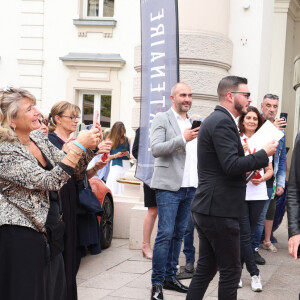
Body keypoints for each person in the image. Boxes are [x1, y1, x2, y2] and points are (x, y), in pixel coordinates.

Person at [0, 87, 101, 300]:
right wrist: (79, 145)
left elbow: (69, 168)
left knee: (54, 291)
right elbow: (50, 181)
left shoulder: (37, 137)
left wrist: (90, 146)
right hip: (22, 234)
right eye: (29, 109)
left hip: (51, 232)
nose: (38, 112)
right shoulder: (5, 150)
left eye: (35, 105)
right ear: (12, 121)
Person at [186, 76, 278, 300]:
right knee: (231, 271)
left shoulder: (218, 120)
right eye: (245, 95)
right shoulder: (223, 121)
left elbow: (225, 166)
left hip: (212, 207)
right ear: (230, 96)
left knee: (207, 269)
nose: (249, 99)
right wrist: (262, 154)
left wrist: (250, 165)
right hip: (219, 210)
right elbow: (231, 166)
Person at [48, 101, 110, 300]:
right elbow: (64, 171)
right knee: (64, 254)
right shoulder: (50, 140)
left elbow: (77, 173)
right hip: (61, 199)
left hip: (74, 197)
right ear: (57, 119)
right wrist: (89, 149)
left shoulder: (73, 139)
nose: (76, 121)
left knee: (74, 254)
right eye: (71, 117)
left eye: (78, 117)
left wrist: (94, 159)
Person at [150, 82, 199, 300]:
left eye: (189, 95)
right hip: (168, 187)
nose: (187, 99)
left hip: (190, 187)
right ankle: (157, 283)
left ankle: (170, 276)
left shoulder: (193, 122)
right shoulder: (162, 118)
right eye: (182, 95)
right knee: (165, 234)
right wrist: (183, 139)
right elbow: (156, 149)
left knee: (179, 235)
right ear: (173, 98)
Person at [238, 106, 273, 292]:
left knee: (249, 235)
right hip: (240, 193)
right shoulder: (236, 139)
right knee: (244, 234)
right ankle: (254, 273)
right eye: (248, 118)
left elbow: (270, 170)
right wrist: (239, 151)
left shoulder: (263, 142)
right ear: (242, 121)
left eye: (255, 119)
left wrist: (263, 179)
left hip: (258, 194)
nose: (252, 121)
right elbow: (230, 166)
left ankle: (237, 272)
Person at [252, 94, 287, 265]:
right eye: (268, 105)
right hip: (251, 179)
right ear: (262, 106)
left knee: (261, 218)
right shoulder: (253, 121)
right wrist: (270, 128)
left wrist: (280, 182)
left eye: (275, 106)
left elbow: (282, 158)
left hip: (268, 179)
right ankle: (244, 248)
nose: (272, 109)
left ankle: (254, 250)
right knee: (248, 217)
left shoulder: (280, 130)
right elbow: (253, 145)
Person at [132, 127, 158, 260]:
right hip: (150, 175)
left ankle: (161, 247)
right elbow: (135, 151)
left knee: (167, 212)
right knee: (153, 211)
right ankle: (145, 245)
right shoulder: (144, 127)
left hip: (170, 175)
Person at [182, 115, 203, 275]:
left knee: (201, 227)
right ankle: (189, 260)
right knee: (186, 228)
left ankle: (201, 261)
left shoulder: (204, 142)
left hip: (199, 188)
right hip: (182, 186)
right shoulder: (183, 140)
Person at [106, 121, 131, 195]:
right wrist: (115, 155)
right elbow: (105, 157)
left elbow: (131, 157)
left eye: (123, 132)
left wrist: (127, 154)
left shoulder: (128, 140)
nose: (122, 134)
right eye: (120, 132)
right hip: (115, 165)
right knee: (114, 184)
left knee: (125, 185)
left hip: (126, 165)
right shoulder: (109, 140)